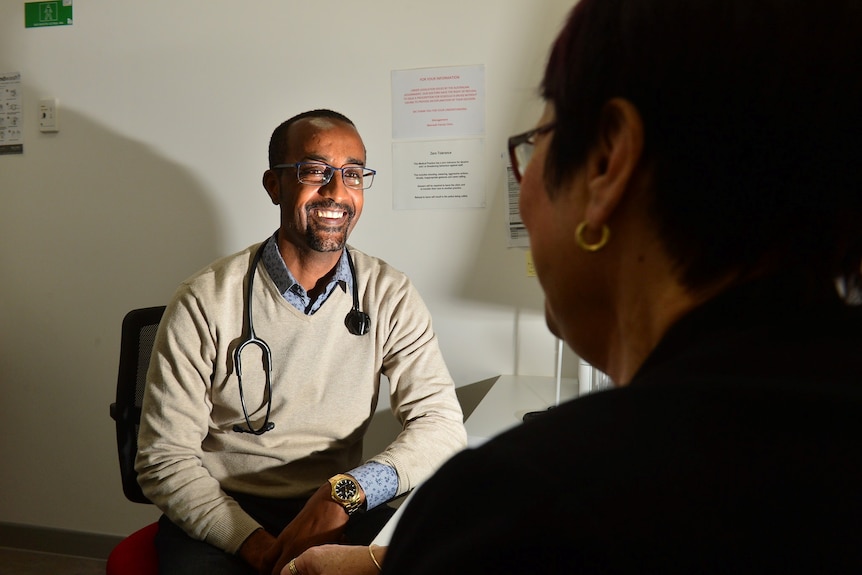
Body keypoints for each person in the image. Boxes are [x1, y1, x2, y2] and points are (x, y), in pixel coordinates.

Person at [289, 0, 862, 573]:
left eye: (542, 136)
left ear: (609, 162)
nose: (337, 192)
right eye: (316, 173)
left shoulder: (525, 498)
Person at [135, 109, 467, 575]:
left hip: (340, 503)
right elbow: (163, 457)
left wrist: (346, 494)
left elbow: (441, 426)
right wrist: (256, 546)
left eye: (352, 174)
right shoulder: (204, 299)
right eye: (315, 172)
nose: (336, 192)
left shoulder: (389, 293)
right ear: (275, 185)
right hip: (224, 508)